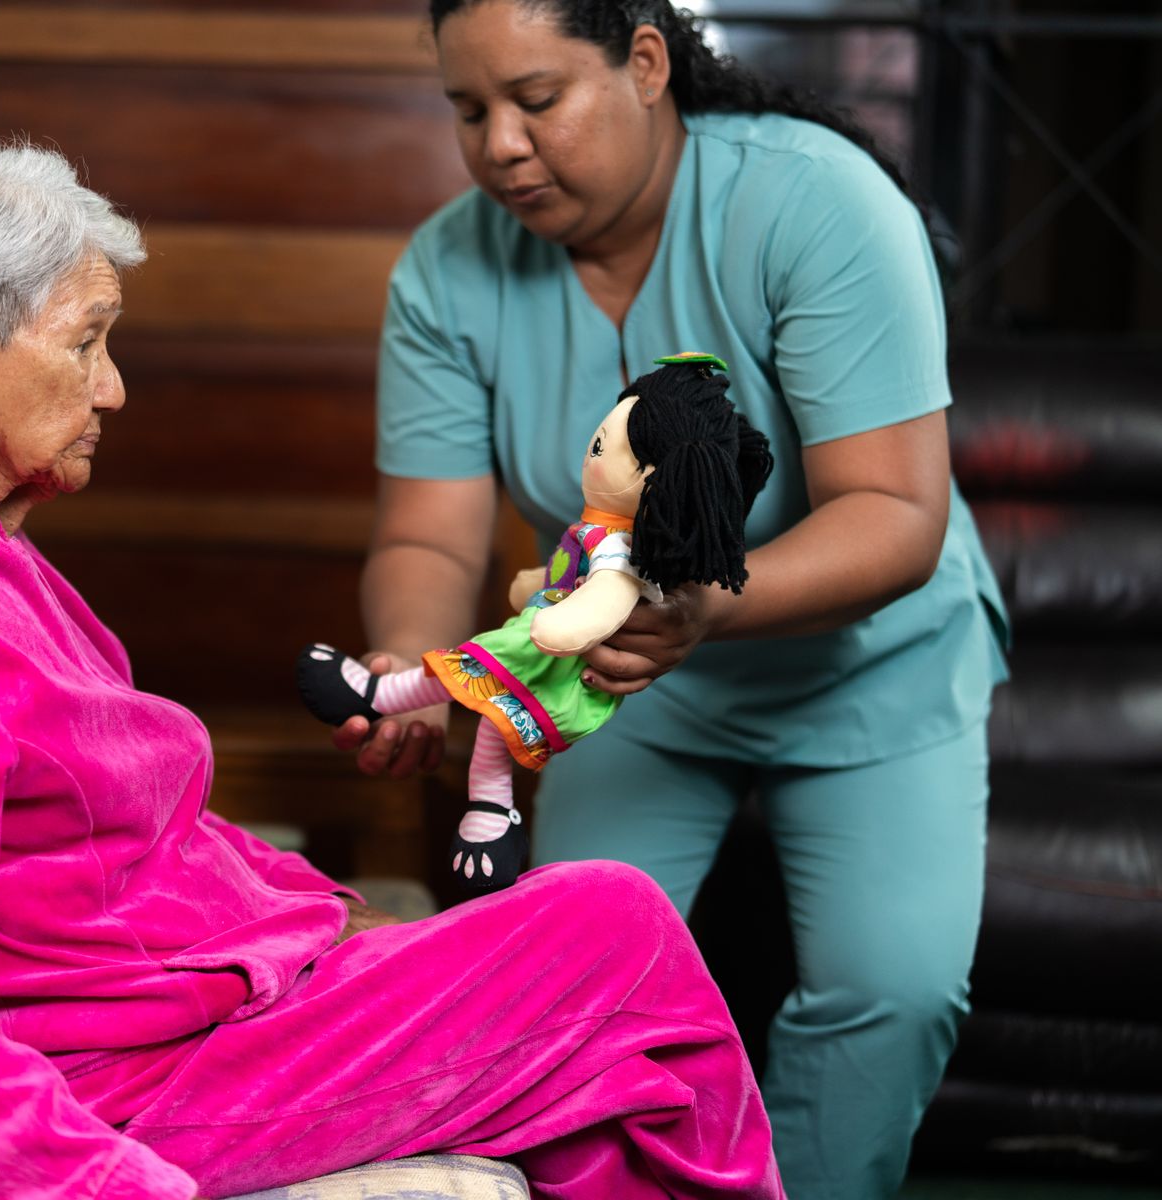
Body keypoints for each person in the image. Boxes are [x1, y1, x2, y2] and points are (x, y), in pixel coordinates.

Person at [0, 137, 784, 1200]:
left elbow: (119, 844)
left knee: (597, 1085)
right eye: (87, 343)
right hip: (122, 1084)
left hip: (212, 1009)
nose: (112, 390)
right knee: (615, 933)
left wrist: (323, 915)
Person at [337, 3, 1010, 1198]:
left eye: (536, 100)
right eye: (467, 108)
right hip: (623, 684)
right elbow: (428, 529)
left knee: (891, 992)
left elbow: (893, 517)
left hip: (870, 662)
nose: (498, 144)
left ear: (646, 63)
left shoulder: (820, 206)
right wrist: (407, 664)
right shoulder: (450, 268)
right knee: (566, 983)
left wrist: (702, 613)